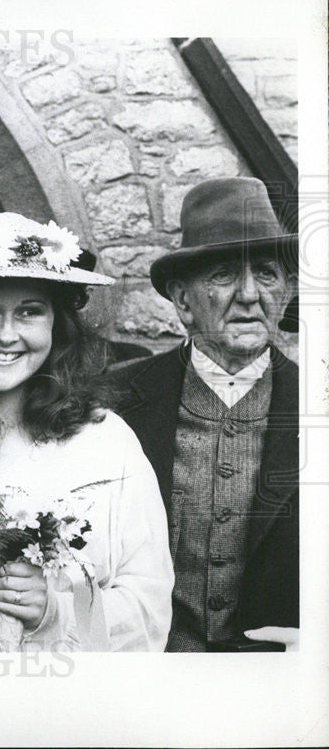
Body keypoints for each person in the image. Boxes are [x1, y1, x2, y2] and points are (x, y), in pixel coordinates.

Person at [0, 213, 174, 652]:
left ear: (56, 326)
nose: (6, 334)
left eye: (29, 312)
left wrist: (55, 613)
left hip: (71, 696)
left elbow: (148, 608)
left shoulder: (106, 442)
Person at [108, 177, 299, 652]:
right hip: (149, 679)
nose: (251, 294)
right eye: (224, 275)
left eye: (268, 274)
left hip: (275, 687)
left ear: (289, 291)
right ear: (182, 301)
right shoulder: (112, 401)